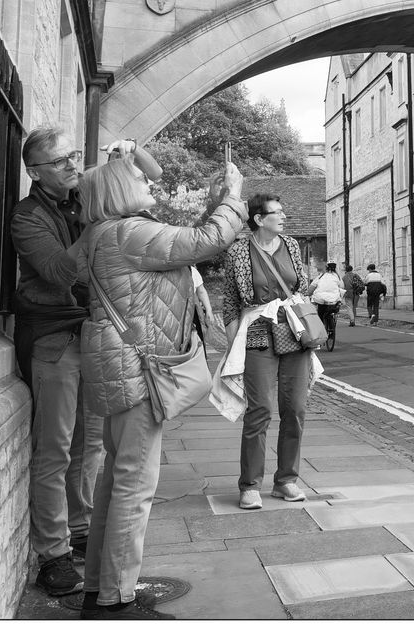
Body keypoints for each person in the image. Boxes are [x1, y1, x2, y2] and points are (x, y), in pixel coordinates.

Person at [73, 156, 246, 619]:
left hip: (120, 366)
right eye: (139, 177)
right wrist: (231, 198)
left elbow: (176, 248)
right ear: (117, 190)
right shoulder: (126, 232)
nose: (149, 180)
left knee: (117, 480)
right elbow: (206, 241)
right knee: (135, 485)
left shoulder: (103, 234)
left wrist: (213, 203)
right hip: (137, 369)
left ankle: (100, 589)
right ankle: (116, 600)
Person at [11, 128, 160, 596]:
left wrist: (134, 152)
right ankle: (52, 553)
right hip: (54, 336)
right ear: (35, 172)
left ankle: (78, 526)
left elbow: (154, 177)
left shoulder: (85, 197)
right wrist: (99, 225)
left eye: (74, 156)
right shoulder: (27, 217)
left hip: (94, 333)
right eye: (59, 162)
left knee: (90, 446)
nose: (73, 166)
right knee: (54, 450)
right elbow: (60, 272)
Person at [221, 194, 315, 510]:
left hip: (293, 331)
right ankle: (249, 485)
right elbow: (231, 301)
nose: (284, 216)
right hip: (258, 334)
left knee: (295, 409)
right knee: (260, 408)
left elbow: (301, 286)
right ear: (260, 219)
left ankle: (286, 480)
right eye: (278, 212)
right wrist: (234, 342)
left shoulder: (290, 246)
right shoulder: (237, 252)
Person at [309, 262, 343, 345]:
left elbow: (312, 288)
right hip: (334, 300)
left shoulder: (320, 276)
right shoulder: (337, 277)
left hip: (322, 300)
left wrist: (308, 294)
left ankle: (321, 333)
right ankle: (332, 331)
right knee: (334, 311)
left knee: (320, 315)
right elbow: (342, 287)